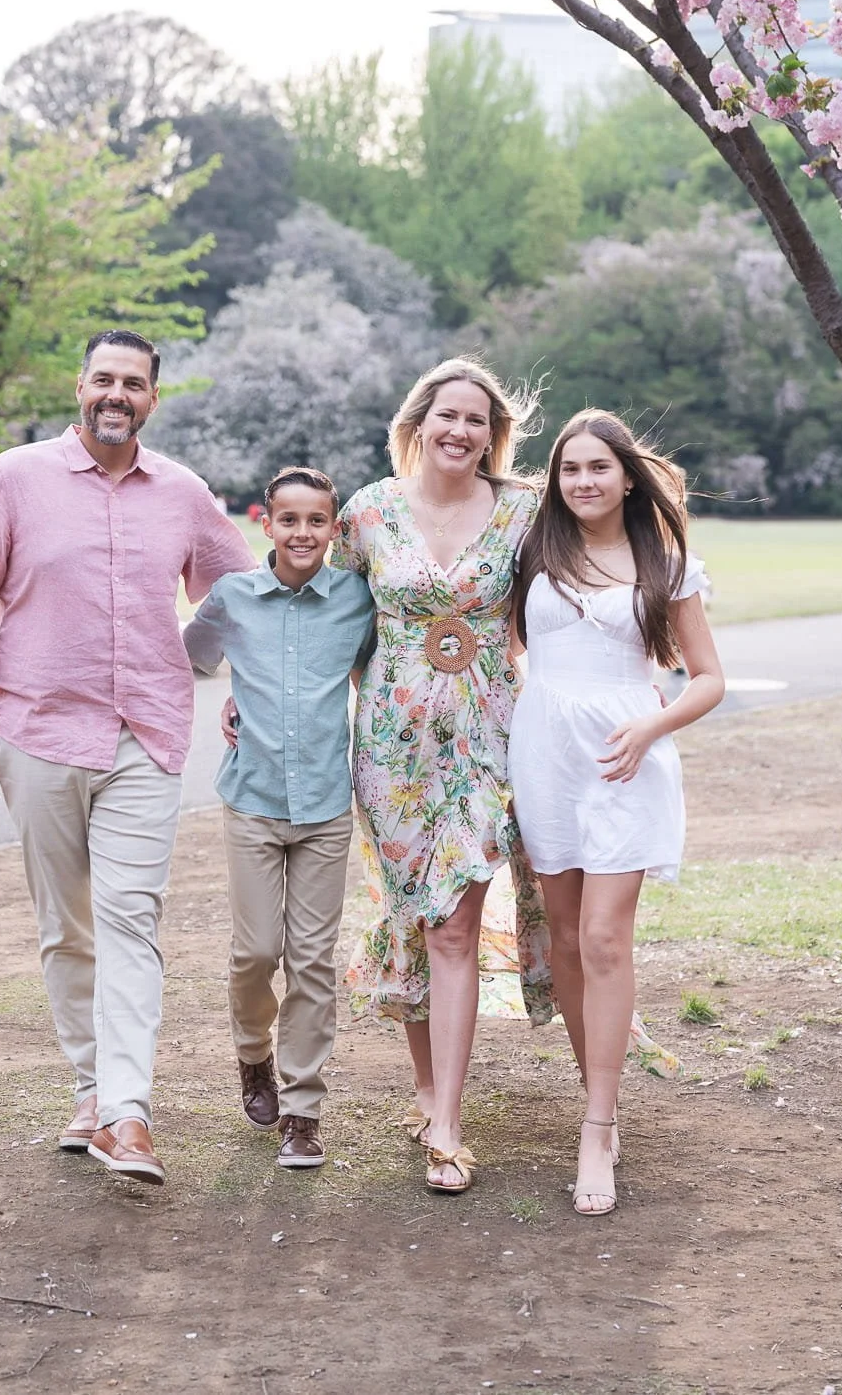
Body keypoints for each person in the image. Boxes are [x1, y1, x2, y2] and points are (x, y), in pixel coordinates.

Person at [0, 328, 254, 1188]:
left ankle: (128, 1113)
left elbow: (239, 595)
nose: (117, 395)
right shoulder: (14, 478)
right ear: (80, 387)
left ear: (153, 399)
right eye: (103, 380)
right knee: (67, 924)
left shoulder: (183, 494)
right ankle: (89, 1091)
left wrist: (214, 669)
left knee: (130, 919)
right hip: (37, 733)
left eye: (134, 384)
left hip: (145, 738)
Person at [334, 358, 549, 1196]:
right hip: (390, 751)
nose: (461, 432)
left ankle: (449, 1127)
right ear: (419, 422)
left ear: (493, 436)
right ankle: (427, 1090)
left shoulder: (526, 511)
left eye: (478, 422)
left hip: (489, 743)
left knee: (457, 921)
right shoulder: (368, 513)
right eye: (447, 416)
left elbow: (566, 605)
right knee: (418, 918)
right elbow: (334, 632)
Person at [509, 409, 725, 1216]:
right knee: (564, 936)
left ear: (628, 476)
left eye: (598, 467)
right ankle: (592, 1086)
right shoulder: (533, 550)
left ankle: (598, 1127)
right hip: (544, 756)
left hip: (626, 757)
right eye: (569, 470)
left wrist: (652, 723)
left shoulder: (665, 563)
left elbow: (707, 677)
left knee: (604, 935)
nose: (583, 482)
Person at [183, 466, 376, 1171]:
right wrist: (234, 698)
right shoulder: (232, 598)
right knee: (256, 952)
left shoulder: (357, 600)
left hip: (326, 805)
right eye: (288, 519)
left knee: (312, 962)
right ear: (266, 523)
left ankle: (302, 1110)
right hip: (254, 802)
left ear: (334, 529)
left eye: (315, 521)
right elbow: (191, 659)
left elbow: (376, 675)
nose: (302, 533)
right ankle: (251, 1057)